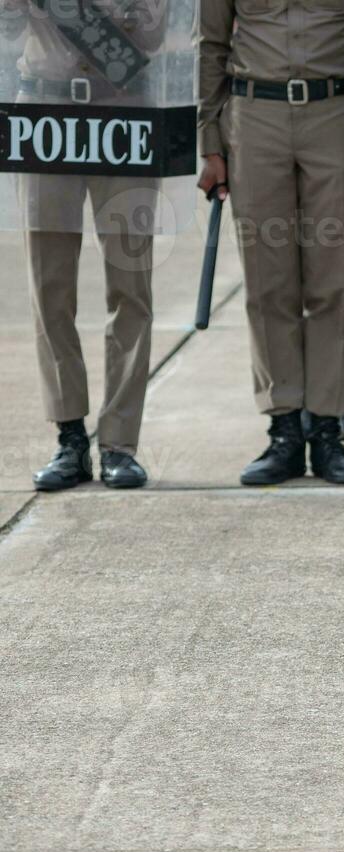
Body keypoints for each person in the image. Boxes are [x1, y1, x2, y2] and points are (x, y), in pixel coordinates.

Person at [197, 0, 344, 485]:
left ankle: (328, 429)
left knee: (334, 280)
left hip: (335, 115)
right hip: (255, 117)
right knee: (268, 280)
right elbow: (211, 44)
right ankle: (284, 429)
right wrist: (209, 139)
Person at [5, 0, 167, 491]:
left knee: (130, 286)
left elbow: (155, 32)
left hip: (124, 109)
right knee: (49, 287)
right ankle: (69, 436)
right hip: (44, 112)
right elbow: (7, 33)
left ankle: (120, 442)